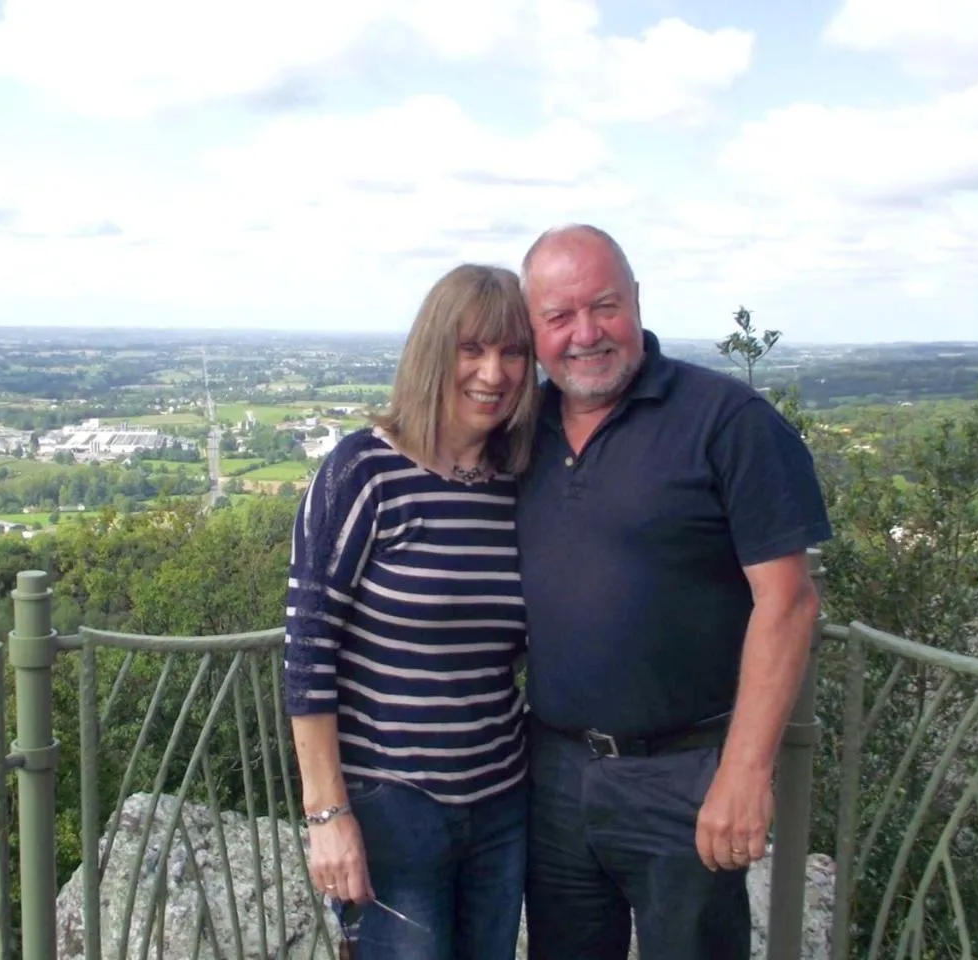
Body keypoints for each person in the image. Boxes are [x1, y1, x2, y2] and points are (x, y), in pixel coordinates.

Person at [514, 224, 832, 959]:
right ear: (532, 330)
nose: (586, 334)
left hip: (686, 775)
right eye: (559, 316)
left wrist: (746, 772)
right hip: (553, 773)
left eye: (604, 306)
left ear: (636, 301)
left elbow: (789, 602)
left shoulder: (727, 422)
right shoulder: (522, 430)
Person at [283, 263, 539, 959]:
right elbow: (308, 653)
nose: (494, 372)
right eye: (471, 349)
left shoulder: (518, 486)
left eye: (513, 352)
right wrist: (327, 814)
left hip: (502, 803)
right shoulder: (364, 472)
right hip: (392, 808)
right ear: (433, 352)